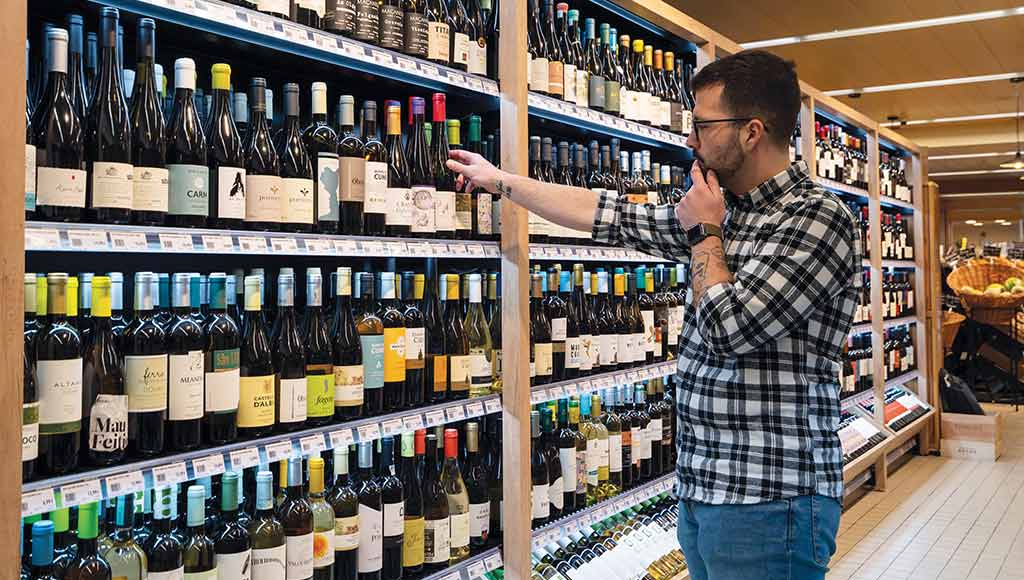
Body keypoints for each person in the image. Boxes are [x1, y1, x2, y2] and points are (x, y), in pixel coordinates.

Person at [446, 49, 860, 580]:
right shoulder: (723, 210)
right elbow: (605, 215)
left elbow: (730, 328)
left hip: (771, 498)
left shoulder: (817, 219)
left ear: (752, 132)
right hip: (704, 489)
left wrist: (705, 233)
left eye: (703, 125)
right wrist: (501, 180)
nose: (691, 139)